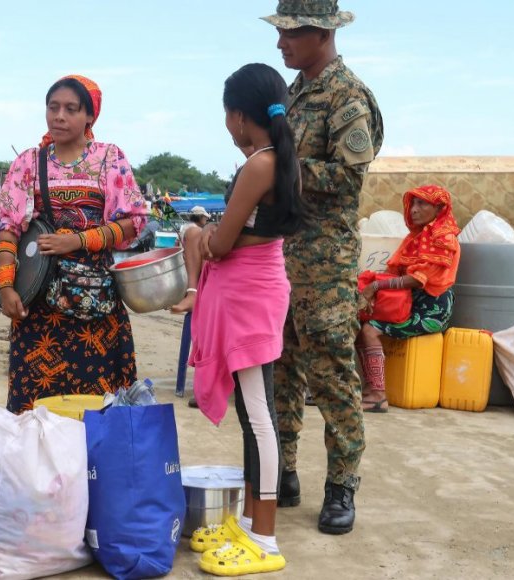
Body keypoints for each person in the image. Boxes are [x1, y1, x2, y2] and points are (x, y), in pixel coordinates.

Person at [263, 0, 384, 534]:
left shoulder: (347, 96)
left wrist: (280, 168)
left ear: (321, 34)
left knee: (332, 375)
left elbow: (346, 180)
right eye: (282, 32)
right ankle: (283, 471)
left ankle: (341, 486)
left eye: (290, 33)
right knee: (281, 368)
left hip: (325, 262)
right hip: (280, 257)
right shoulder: (289, 97)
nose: (281, 43)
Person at [187, 63, 301, 577]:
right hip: (253, 291)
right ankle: (252, 521)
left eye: (226, 115)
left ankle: (266, 538)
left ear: (238, 115)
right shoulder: (273, 160)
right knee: (253, 418)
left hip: (250, 296)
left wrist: (203, 239)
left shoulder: (260, 163)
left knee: (259, 417)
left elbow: (224, 242)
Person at [0, 75, 147, 413]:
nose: (59, 116)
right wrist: (5, 287)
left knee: (98, 411)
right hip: (38, 310)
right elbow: (9, 229)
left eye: (71, 109)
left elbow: (133, 222)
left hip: (96, 307)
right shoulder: (28, 163)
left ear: (90, 117)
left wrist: (77, 241)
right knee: (34, 411)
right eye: (53, 107)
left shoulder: (110, 158)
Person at [357, 185, 460, 411]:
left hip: (431, 309)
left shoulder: (443, 238)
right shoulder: (417, 237)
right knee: (357, 324)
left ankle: (377, 396)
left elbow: (417, 279)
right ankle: (367, 390)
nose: (413, 209)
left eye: (422, 203)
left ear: (439, 208)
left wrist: (375, 286)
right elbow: (396, 274)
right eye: (413, 203)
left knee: (369, 330)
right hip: (408, 303)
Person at [170, 205, 211, 314]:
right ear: (200, 217)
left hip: (184, 260)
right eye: (205, 218)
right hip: (192, 261)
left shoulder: (184, 227)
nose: (206, 220)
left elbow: (176, 244)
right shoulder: (195, 230)